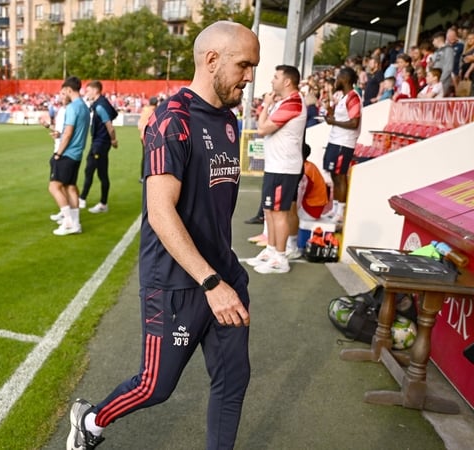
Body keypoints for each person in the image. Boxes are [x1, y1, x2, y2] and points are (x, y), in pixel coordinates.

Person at [67, 21, 258, 450]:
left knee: (233, 378)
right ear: (212, 60)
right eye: (244, 65)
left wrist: (221, 278)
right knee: (156, 385)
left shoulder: (229, 120)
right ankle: (91, 420)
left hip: (223, 273)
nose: (250, 77)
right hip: (177, 280)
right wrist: (210, 283)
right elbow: (159, 212)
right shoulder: (173, 120)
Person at [246, 65, 307, 275]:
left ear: (287, 81)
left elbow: (262, 129)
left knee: (279, 213)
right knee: (270, 211)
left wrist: (265, 106)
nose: (272, 81)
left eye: (276, 77)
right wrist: (267, 107)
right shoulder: (283, 103)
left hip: (284, 167)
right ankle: (271, 251)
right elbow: (262, 126)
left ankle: (280, 258)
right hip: (275, 165)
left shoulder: (294, 102)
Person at [48, 76, 89, 236]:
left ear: (69, 90)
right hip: (77, 153)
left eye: (64, 90)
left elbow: (69, 132)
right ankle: (75, 223)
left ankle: (68, 222)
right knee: (70, 187)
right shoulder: (84, 107)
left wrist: (58, 153)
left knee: (54, 187)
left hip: (68, 153)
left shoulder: (73, 107)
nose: (63, 93)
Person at [322, 67, 361, 225]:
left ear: (345, 79)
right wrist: (330, 114)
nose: (336, 81)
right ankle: (335, 208)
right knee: (333, 175)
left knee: (340, 176)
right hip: (335, 140)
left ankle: (341, 212)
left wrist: (334, 122)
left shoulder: (353, 97)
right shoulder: (343, 98)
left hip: (344, 143)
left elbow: (354, 122)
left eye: (338, 78)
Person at [78, 80, 118, 213]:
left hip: (99, 144)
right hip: (100, 143)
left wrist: (113, 140)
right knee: (100, 173)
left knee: (91, 170)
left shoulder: (100, 106)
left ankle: (83, 199)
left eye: (88, 90)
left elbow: (110, 127)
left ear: (96, 90)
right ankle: (100, 202)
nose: (87, 93)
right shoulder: (101, 104)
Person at [136, 96, 157, 181]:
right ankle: (146, 176)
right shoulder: (153, 112)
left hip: (142, 135)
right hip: (149, 136)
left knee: (145, 156)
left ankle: (142, 176)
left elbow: (140, 124)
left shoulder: (145, 110)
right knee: (150, 157)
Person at [432, 31, 455, 96]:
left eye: (433, 40)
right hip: (435, 81)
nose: (432, 42)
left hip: (443, 81)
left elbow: (448, 67)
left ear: (438, 39)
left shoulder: (448, 49)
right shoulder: (436, 51)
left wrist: (440, 80)